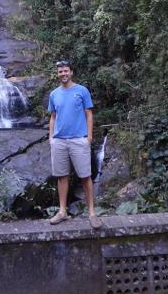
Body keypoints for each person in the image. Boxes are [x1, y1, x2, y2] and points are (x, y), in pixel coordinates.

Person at [48, 60, 102, 229]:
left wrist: (89, 137)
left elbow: (89, 114)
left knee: (85, 176)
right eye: (60, 72)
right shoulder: (54, 94)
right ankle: (63, 211)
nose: (63, 74)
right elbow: (53, 117)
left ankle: (92, 213)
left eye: (66, 71)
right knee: (61, 176)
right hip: (59, 141)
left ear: (71, 72)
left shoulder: (81, 91)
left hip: (79, 139)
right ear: (57, 74)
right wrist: (51, 138)